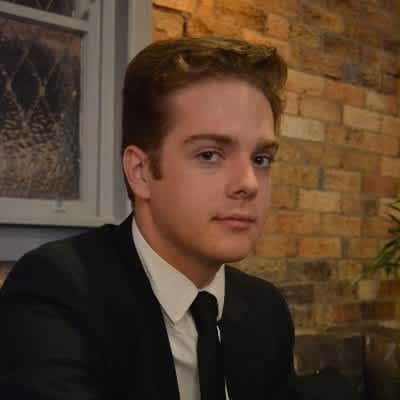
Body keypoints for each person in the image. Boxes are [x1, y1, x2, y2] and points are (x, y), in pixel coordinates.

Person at [0, 36, 296, 399]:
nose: (249, 183)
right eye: (209, 155)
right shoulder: (58, 290)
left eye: (261, 159)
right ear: (140, 172)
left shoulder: (266, 310)